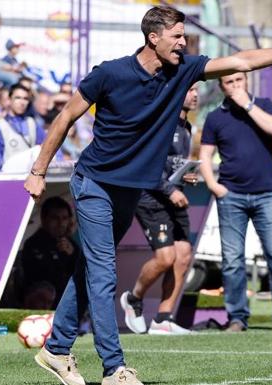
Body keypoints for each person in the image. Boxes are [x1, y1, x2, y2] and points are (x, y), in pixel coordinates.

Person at [24, 5, 272, 385]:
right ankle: (114, 369)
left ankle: (55, 349)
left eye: (184, 36)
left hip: (128, 190)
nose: (184, 42)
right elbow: (65, 117)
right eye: (177, 36)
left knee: (89, 268)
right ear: (153, 38)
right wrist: (38, 171)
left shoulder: (183, 68)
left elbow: (241, 60)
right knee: (103, 274)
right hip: (94, 184)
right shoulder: (110, 73)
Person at [199, 72, 272, 333]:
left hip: (267, 193)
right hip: (231, 196)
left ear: (246, 81)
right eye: (229, 83)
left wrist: (248, 105)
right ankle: (237, 317)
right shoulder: (215, 117)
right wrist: (213, 185)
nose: (235, 86)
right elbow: (205, 155)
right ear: (221, 87)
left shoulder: (264, 105)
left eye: (239, 81)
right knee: (232, 260)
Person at [120, 84, 199, 335]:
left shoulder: (187, 127)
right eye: (189, 90)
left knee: (184, 254)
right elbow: (146, 164)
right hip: (150, 198)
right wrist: (170, 189)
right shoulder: (162, 124)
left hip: (172, 196)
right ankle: (133, 298)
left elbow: (169, 164)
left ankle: (163, 318)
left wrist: (185, 177)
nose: (195, 94)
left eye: (197, 89)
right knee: (166, 258)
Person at [21, 196, 79, 307]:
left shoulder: (71, 244)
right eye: (55, 218)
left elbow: (83, 273)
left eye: (64, 218)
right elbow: (40, 277)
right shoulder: (33, 244)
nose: (61, 223)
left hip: (69, 305)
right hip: (43, 307)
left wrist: (72, 255)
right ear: (44, 219)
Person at [0, 83, 45, 172]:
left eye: (25, 99)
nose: (22, 102)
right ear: (9, 100)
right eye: (17, 98)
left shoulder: (33, 124)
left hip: (30, 177)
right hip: (9, 178)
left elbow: (45, 147)